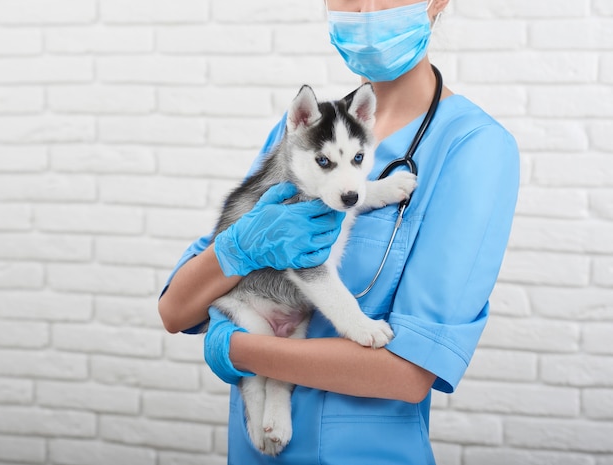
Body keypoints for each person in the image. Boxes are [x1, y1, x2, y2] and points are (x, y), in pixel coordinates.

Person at [158, 0, 520, 463]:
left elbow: (408, 372)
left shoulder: (474, 148)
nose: (366, 8)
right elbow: (176, 309)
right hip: (252, 451)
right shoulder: (303, 133)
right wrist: (237, 249)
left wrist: (238, 348)